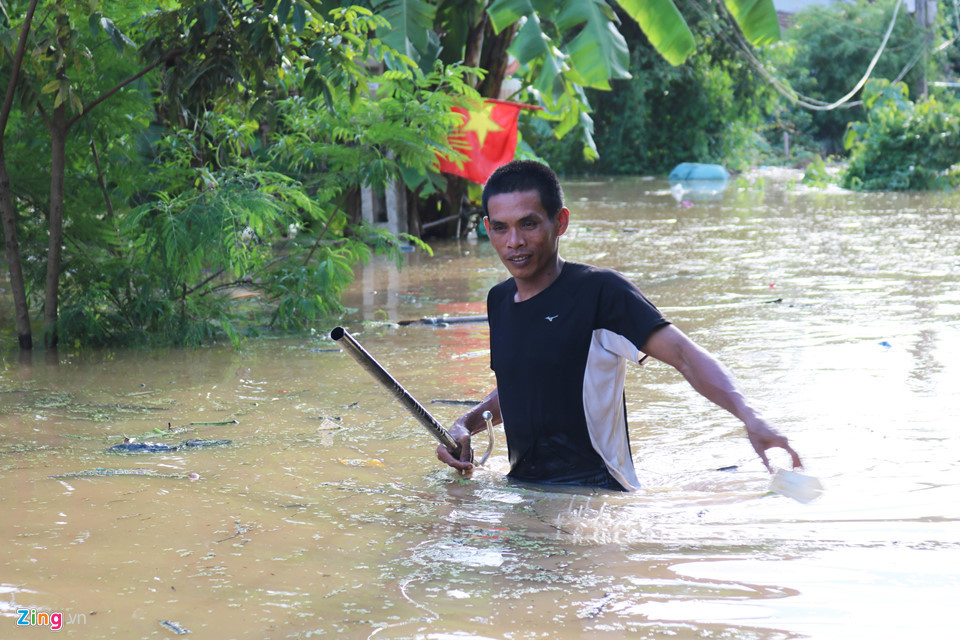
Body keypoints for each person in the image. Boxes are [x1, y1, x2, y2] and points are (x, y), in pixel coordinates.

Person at [436, 160, 802, 491]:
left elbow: (685, 355)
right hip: (522, 490)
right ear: (487, 228)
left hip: (597, 492)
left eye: (528, 224)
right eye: (500, 228)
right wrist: (465, 425)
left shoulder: (600, 293)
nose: (514, 241)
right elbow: (518, 388)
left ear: (560, 221)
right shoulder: (499, 301)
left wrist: (750, 417)